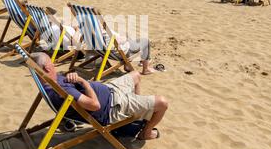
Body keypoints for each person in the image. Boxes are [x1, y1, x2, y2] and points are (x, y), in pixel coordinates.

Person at [32, 52, 169, 140]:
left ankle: (135, 114)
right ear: (47, 68)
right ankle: (146, 132)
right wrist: (83, 81)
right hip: (112, 107)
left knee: (136, 75)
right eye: (52, 62)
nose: (54, 64)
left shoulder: (51, 81)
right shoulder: (62, 90)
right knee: (163, 103)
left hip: (111, 91)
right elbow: (95, 105)